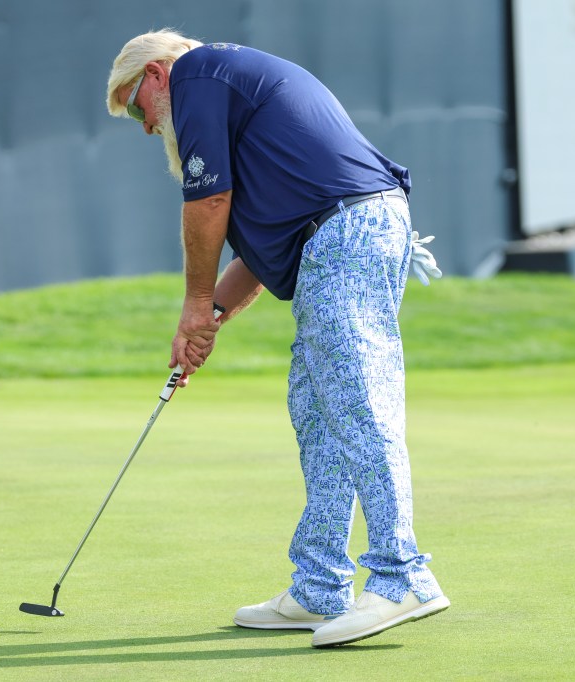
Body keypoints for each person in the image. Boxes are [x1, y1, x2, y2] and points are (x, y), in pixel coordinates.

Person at [105, 30, 447, 648]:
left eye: (135, 108)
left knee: (357, 404)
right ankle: (319, 588)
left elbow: (208, 203)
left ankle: (404, 577)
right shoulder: (228, 101)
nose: (146, 127)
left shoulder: (198, 75)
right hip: (335, 238)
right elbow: (260, 261)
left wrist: (189, 305)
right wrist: (208, 317)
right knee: (317, 412)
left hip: (349, 232)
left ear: (156, 74)